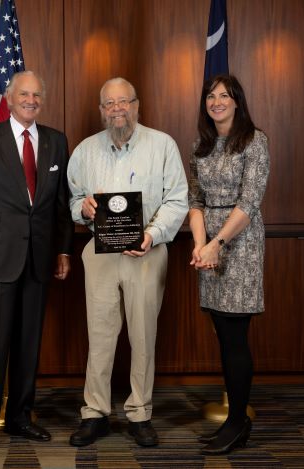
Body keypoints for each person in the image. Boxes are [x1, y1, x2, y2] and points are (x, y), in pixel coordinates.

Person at [0, 71, 73, 457]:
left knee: (28, 344)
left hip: (39, 260)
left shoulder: (56, 141)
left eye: (37, 94)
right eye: (24, 93)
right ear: (9, 97)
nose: (31, 99)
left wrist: (64, 251)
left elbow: (60, 204)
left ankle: (21, 418)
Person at [67, 77, 188, 447]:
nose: (117, 109)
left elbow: (178, 200)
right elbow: (71, 200)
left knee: (143, 336)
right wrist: (83, 209)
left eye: (124, 102)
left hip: (147, 253)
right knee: (100, 336)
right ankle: (95, 413)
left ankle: (139, 412)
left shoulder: (162, 145)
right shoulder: (86, 151)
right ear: (101, 110)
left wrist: (151, 235)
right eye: (109, 103)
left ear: (137, 105)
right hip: (100, 254)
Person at [188, 74, 270, 455]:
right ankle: (235, 417)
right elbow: (195, 200)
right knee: (222, 332)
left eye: (224, 95)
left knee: (235, 336)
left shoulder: (255, 141)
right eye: (211, 95)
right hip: (209, 247)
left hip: (240, 244)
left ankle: (238, 422)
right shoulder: (201, 146)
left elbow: (250, 202)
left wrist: (219, 243)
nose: (217, 101)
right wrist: (201, 244)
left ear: (237, 101)